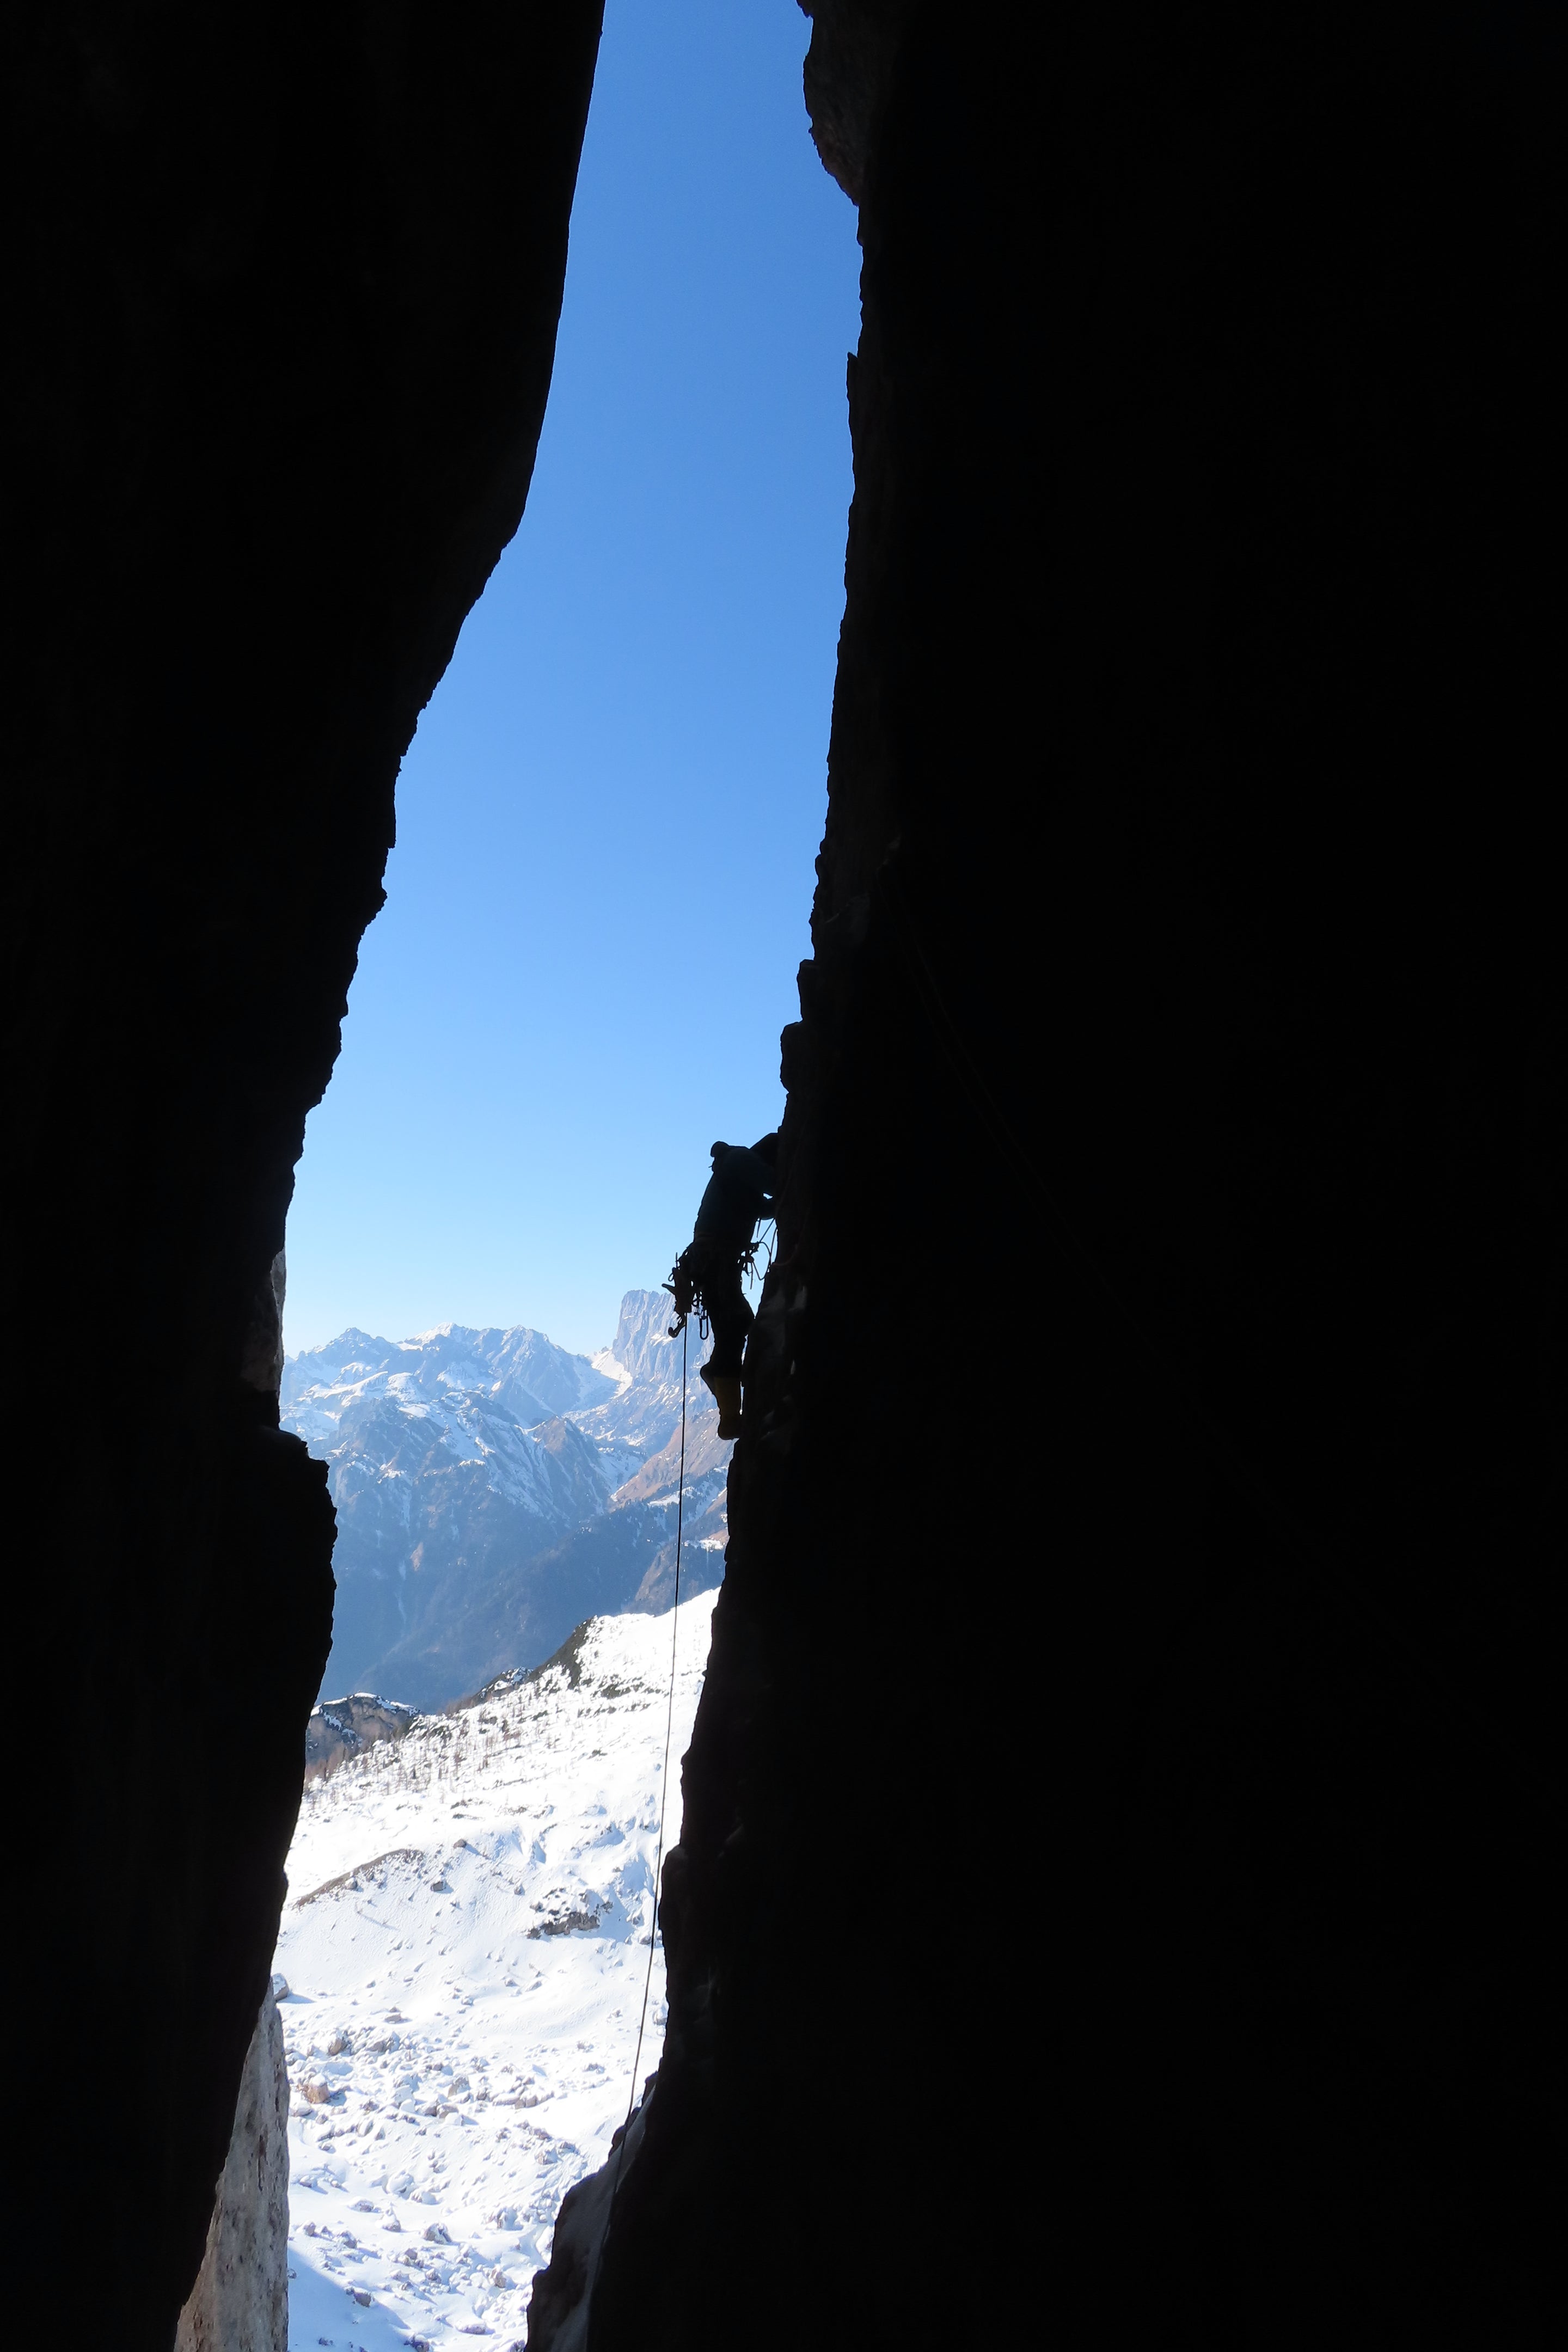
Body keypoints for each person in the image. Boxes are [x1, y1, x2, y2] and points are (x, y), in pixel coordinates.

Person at [666, 1134, 779, 1438]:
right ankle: (729, 1416)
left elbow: (762, 1207)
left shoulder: (738, 1170)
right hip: (716, 1260)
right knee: (734, 1324)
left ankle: (722, 1389)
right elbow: (775, 1184)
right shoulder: (744, 1160)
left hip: (710, 1261)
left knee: (735, 1324)